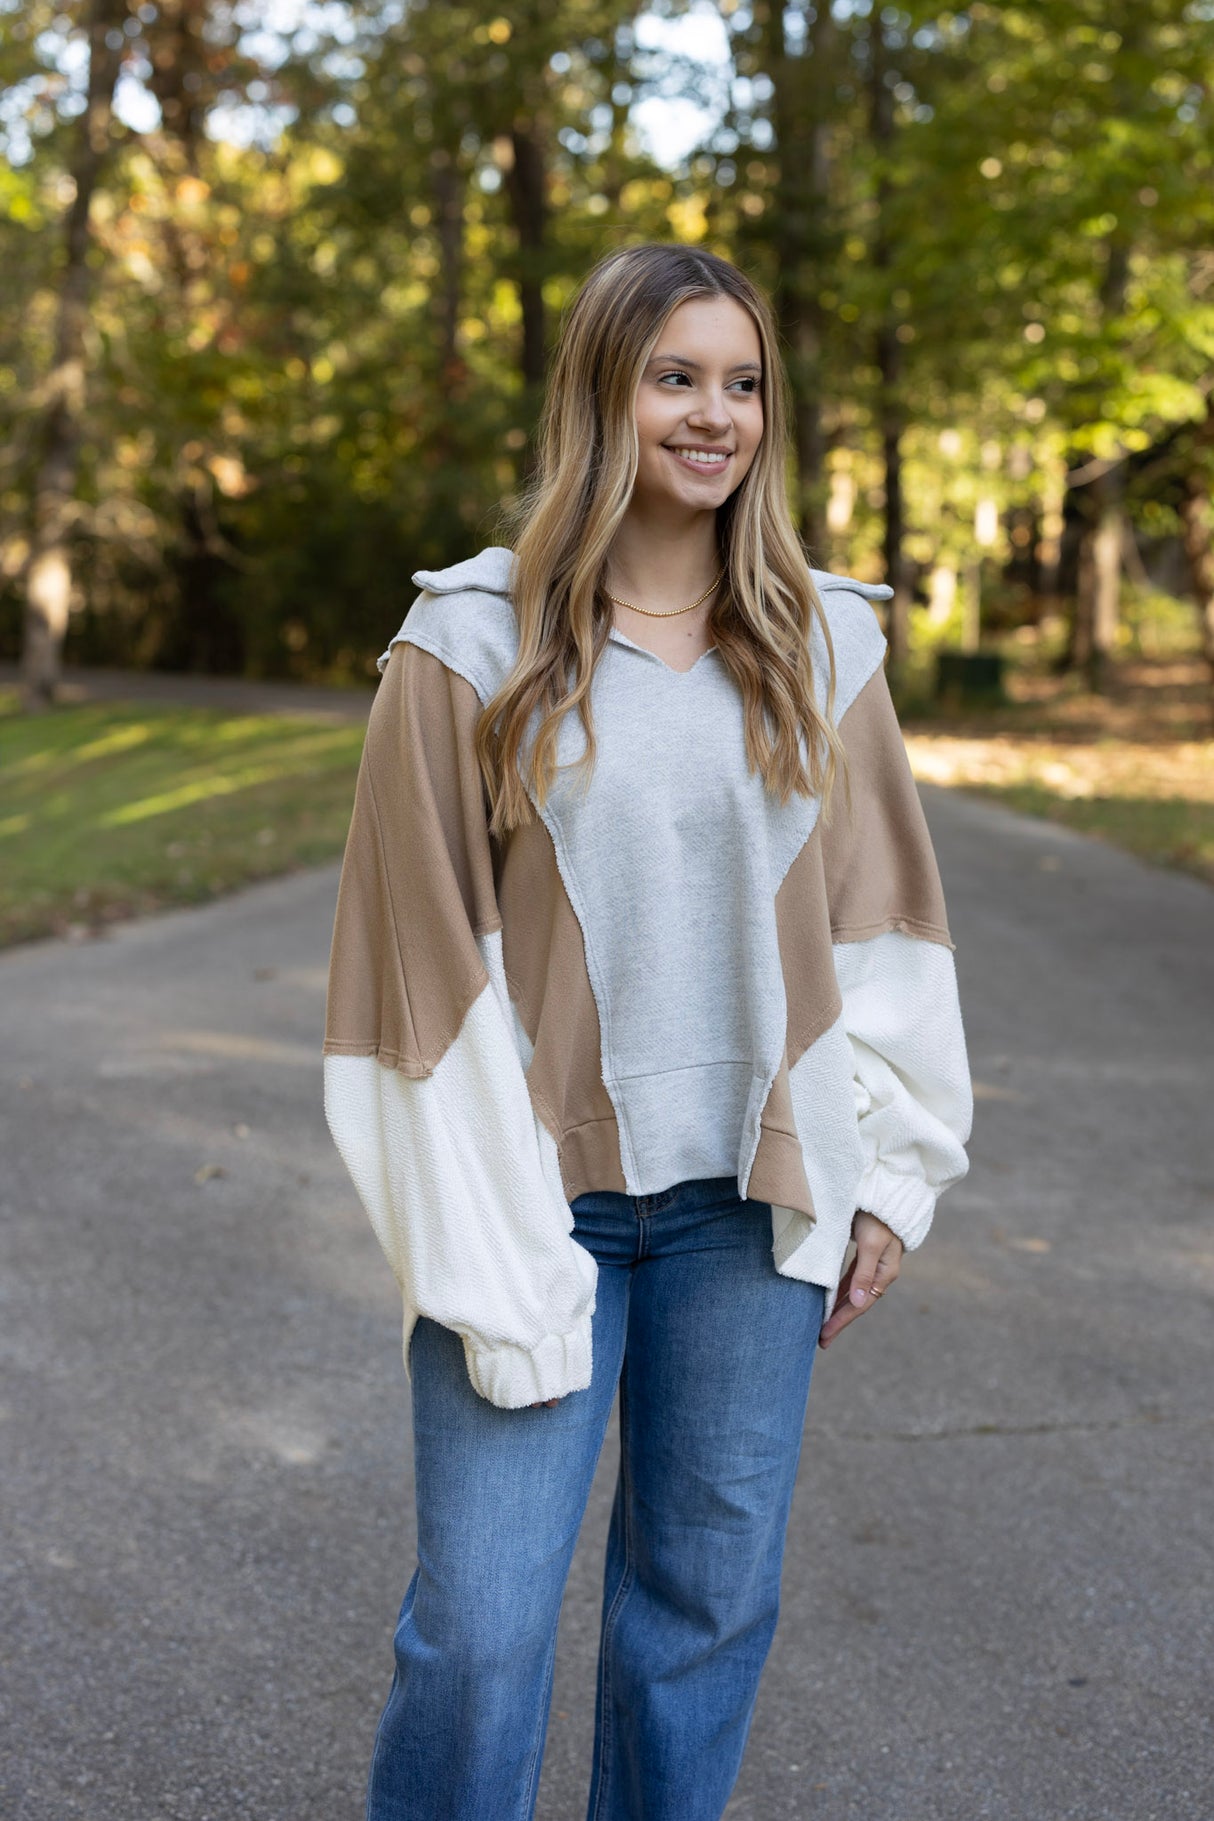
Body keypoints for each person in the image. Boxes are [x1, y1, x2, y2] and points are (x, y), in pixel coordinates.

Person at [322, 241, 973, 1821]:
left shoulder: (827, 644)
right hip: (530, 1199)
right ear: (600, 393)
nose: (714, 413)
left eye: (741, 382)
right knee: (477, 1629)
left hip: (749, 1217)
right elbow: (408, 977)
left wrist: (891, 1172)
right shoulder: (465, 643)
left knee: (699, 1617)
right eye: (675, 376)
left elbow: (885, 926)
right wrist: (477, 1239)